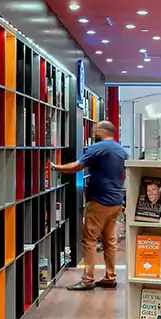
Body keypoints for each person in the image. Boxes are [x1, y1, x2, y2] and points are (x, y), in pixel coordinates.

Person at [51, 120, 127, 290]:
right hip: (116, 201)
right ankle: (110, 277)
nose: (94, 134)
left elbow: (76, 166)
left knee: (89, 240)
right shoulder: (120, 150)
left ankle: (88, 279)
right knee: (110, 241)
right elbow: (124, 174)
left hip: (100, 200)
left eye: (95, 130)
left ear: (102, 131)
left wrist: (55, 168)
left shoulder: (97, 147)